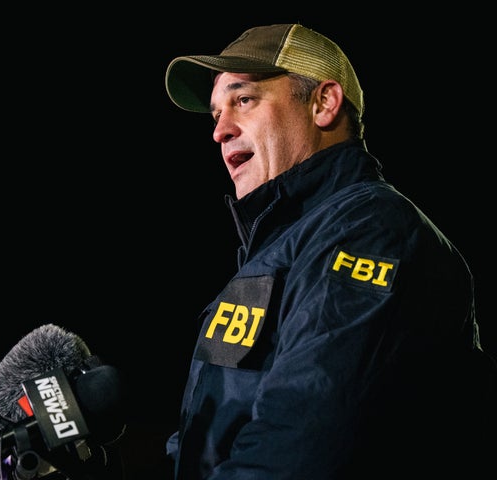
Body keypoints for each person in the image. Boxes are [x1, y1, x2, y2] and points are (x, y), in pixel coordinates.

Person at [161, 23, 496, 479]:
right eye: (215, 113)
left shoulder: (370, 230)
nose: (220, 131)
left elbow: (299, 451)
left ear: (324, 103)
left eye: (243, 100)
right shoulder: (278, 250)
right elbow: (206, 443)